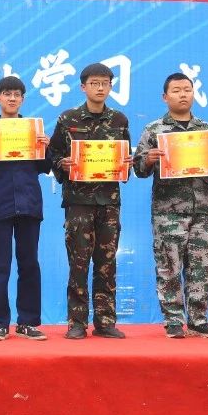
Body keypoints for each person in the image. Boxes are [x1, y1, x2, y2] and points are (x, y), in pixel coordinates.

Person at [132, 72, 208, 338]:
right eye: (176, 90)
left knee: (201, 267)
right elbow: (138, 169)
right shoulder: (154, 130)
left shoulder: (206, 130)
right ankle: (173, 320)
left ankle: (198, 319)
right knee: (169, 265)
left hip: (201, 210)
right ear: (165, 97)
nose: (183, 94)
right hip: (168, 211)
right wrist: (149, 159)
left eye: (187, 89)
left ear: (193, 93)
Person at [46, 62, 131, 340]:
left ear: (111, 86)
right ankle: (77, 322)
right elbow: (52, 154)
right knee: (79, 263)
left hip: (109, 202)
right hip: (78, 201)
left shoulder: (119, 120)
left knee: (107, 263)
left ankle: (105, 321)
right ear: (83, 87)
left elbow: (125, 158)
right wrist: (62, 164)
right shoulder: (68, 118)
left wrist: (126, 164)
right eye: (94, 83)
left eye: (105, 83)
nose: (100, 88)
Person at [0, 76, 51, 341]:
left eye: (17, 94)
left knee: (29, 264)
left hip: (29, 204)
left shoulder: (33, 131)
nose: (12, 98)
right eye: (7, 94)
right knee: (0, 266)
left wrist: (45, 148)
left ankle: (28, 322)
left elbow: (45, 167)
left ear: (23, 99)